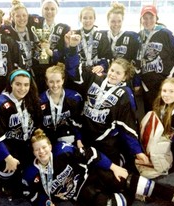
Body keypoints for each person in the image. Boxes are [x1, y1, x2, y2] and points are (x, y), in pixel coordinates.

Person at [22, 128, 174, 206]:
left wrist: (113, 167)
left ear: (50, 146)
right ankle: (133, 194)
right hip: (78, 192)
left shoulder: (62, 150)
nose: (42, 152)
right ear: (33, 152)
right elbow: (29, 192)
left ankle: (173, 195)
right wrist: (43, 202)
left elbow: (91, 153)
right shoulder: (31, 172)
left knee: (125, 178)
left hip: (89, 175)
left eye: (44, 147)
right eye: (37, 150)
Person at [64, 33, 148, 170]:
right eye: (112, 70)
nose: (113, 74)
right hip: (86, 135)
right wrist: (73, 48)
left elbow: (127, 125)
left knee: (108, 174)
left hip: (106, 141)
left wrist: (137, 151)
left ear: (125, 77)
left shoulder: (126, 94)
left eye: (118, 73)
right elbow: (74, 72)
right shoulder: (96, 77)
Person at [0, 69, 42, 200]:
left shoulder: (31, 100)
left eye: (26, 85)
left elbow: (38, 124)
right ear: (11, 84)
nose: (22, 88)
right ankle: (3, 180)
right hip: (4, 145)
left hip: (24, 142)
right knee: (8, 166)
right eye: (18, 84)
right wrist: (7, 157)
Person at [135, 5, 174, 113]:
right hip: (147, 84)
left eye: (151, 17)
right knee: (150, 115)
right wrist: (137, 82)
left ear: (156, 18)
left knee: (166, 115)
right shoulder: (139, 36)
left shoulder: (166, 33)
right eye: (145, 18)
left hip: (166, 83)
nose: (148, 21)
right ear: (141, 20)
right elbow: (137, 61)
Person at [27, 0, 71, 93]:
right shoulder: (33, 23)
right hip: (36, 67)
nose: (49, 12)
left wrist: (50, 52)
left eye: (52, 9)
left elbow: (64, 52)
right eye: (46, 8)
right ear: (41, 10)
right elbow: (19, 17)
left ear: (57, 11)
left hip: (53, 68)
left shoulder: (64, 28)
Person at [39, 62, 84, 147]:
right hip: (46, 138)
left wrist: (79, 139)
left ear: (63, 80)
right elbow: (38, 126)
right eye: (51, 82)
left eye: (58, 81)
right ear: (46, 82)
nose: (55, 85)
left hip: (66, 135)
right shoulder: (40, 100)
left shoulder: (74, 98)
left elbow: (77, 121)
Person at [1, 0, 36, 76]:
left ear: (28, 15)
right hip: (16, 72)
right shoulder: (6, 32)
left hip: (33, 70)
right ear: (12, 17)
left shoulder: (33, 31)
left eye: (24, 15)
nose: (22, 18)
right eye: (18, 16)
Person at [75, 6, 112, 75]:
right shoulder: (75, 34)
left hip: (96, 71)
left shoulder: (102, 35)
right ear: (80, 19)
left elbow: (107, 57)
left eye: (90, 18)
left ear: (94, 19)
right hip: (79, 71)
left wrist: (101, 66)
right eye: (85, 18)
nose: (87, 20)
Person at [105, 2, 140, 67]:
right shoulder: (103, 35)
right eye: (113, 21)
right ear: (108, 21)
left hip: (125, 74)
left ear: (122, 21)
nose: (116, 24)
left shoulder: (131, 36)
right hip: (108, 73)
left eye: (119, 21)